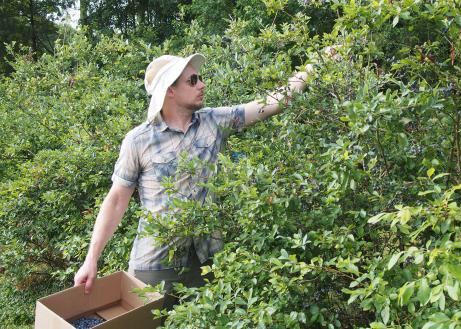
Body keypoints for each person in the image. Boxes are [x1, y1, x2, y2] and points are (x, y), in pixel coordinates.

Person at [73, 51, 319, 309]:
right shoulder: (138, 140)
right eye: (192, 80)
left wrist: (314, 65)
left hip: (206, 261)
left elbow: (272, 103)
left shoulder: (214, 121)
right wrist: (91, 259)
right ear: (170, 90)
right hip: (155, 267)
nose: (202, 85)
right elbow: (115, 202)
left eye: (199, 78)